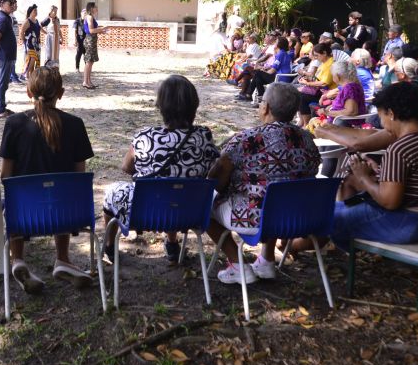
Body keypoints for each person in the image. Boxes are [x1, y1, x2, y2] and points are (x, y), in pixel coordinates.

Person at [205, 83, 321, 284]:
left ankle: (238, 263)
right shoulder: (308, 139)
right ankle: (266, 260)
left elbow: (216, 182)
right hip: (300, 215)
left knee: (204, 205)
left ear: (265, 107)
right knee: (279, 191)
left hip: (256, 219)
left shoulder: (247, 139)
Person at [103, 75, 220, 263]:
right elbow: (212, 165)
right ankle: (172, 244)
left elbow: (126, 167)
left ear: (161, 106)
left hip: (146, 210)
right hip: (189, 208)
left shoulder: (145, 137)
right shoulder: (204, 136)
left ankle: (109, 246)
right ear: (194, 105)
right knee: (175, 189)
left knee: (112, 192)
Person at [0, 67, 94, 292]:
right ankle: (62, 258)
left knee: (15, 197)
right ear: (60, 93)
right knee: (62, 192)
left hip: (25, 214)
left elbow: (6, 176)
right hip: (67, 214)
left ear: (28, 93)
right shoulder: (75, 124)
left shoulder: (14, 124)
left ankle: (18, 259)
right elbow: (79, 177)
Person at [326, 81, 418, 248]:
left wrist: (364, 177)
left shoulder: (401, 148)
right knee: (339, 206)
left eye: (381, 115)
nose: (381, 123)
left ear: (391, 113)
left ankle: (348, 249)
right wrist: (381, 171)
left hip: (407, 222)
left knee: (328, 217)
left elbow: (389, 202)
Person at [236, 36, 293, 102]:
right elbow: (274, 67)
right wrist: (263, 71)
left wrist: (263, 71)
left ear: (279, 44)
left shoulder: (281, 54)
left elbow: (272, 71)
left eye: (276, 42)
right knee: (258, 78)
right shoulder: (282, 53)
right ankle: (259, 97)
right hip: (279, 76)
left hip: (280, 78)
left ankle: (251, 95)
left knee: (258, 74)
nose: (275, 43)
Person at [298, 43, 336, 125]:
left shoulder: (330, 64)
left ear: (325, 53)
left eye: (317, 55)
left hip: (328, 94)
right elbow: (318, 78)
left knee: (302, 97)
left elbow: (324, 83)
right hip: (320, 92)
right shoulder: (324, 63)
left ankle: (306, 123)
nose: (315, 58)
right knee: (298, 93)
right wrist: (308, 80)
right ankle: (302, 122)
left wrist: (307, 83)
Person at [82, 1, 107, 90]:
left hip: (92, 40)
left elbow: (93, 30)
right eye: (95, 7)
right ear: (91, 8)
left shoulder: (91, 17)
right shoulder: (89, 17)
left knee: (91, 61)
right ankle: (85, 82)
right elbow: (91, 30)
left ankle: (89, 81)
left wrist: (101, 31)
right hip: (89, 41)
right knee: (88, 62)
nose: (97, 8)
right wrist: (101, 29)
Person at [19, 4, 41, 80]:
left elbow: (40, 29)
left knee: (34, 59)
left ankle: (30, 76)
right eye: (34, 10)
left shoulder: (37, 21)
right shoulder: (27, 21)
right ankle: (25, 73)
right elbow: (21, 32)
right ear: (30, 12)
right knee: (33, 58)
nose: (36, 11)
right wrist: (24, 41)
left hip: (36, 43)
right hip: (29, 43)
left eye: (36, 10)